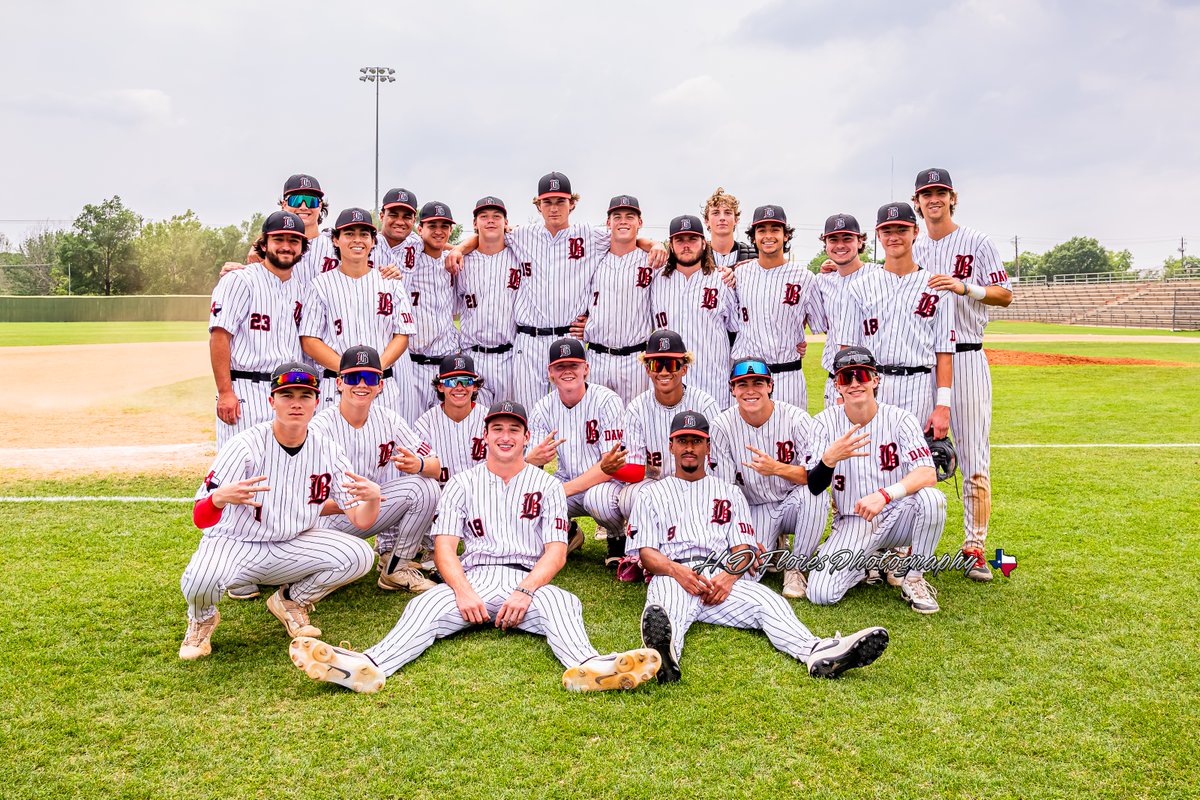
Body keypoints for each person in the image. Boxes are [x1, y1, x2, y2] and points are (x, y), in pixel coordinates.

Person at [287, 400, 662, 694]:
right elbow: (445, 550)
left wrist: (525, 590)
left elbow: (556, 551)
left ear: (525, 437)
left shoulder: (546, 485)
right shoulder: (463, 483)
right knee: (423, 606)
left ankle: (591, 667)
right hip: (475, 579)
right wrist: (463, 592)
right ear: (486, 436)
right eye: (497, 428)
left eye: (513, 429)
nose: (505, 436)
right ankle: (367, 666)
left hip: (527, 581)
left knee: (565, 604)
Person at [629, 410, 890, 683]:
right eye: (682, 441)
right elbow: (647, 554)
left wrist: (728, 577)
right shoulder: (651, 493)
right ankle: (663, 660)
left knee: (769, 602)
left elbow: (744, 547)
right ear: (671, 445)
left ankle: (816, 651)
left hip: (719, 578)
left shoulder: (729, 492)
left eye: (696, 441)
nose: (689, 448)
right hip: (674, 575)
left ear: (708, 446)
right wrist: (676, 571)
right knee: (666, 610)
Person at [179, 362, 380, 659]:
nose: (296, 403)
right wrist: (219, 498)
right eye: (287, 395)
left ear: (316, 401)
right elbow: (200, 517)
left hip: (293, 543)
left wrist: (373, 498)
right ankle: (202, 618)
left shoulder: (328, 450)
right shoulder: (245, 446)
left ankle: (290, 600)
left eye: (304, 396)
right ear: (272, 401)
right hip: (236, 543)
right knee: (200, 580)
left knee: (360, 556)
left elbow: (360, 520)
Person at [449, 171, 666, 409]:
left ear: (571, 204)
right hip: (529, 340)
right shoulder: (522, 236)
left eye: (560, 201)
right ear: (538, 205)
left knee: (572, 411)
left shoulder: (589, 235)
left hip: (569, 337)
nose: (554, 208)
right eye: (548, 202)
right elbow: (487, 237)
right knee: (528, 411)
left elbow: (626, 236)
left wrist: (654, 244)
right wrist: (459, 248)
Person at [911, 168, 1014, 581]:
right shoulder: (911, 245)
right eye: (926, 194)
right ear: (917, 201)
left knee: (973, 455)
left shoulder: (977, 241)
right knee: (911, 454)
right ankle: (904, 547)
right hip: (921, 361)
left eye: (940, 192)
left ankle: (974, 545)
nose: (933, 199)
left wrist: (964, 287)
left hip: (967, 356)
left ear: (952, 197)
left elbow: (1005, 294)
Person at [804, 346, 948, 614]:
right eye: (847, 378)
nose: (855, 383)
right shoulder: (823, 423)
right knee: (820, 594)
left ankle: (914, 578)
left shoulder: (900, 418)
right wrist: (829, 459)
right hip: (853, 521)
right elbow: (813, 485)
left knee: (932, 499)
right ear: (837, 385)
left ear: (875, 379)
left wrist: (885, 495)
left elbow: (928, 473)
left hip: (896, 514)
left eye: (861, 375)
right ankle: (865, 560)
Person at [309, 345, 442, 593]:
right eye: (352, 377)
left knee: (426, 487)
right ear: (339, 383)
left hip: (370, 511)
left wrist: (419, 464)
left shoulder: (389, 419)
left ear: (380, 385)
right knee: (330, 568)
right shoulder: (319, 428)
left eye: (370, 378)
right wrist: (355, 505)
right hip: (326, 521)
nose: (361, 384)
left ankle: (396, 567)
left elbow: (435, 466)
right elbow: (303, 501)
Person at [834, 202, 953, 439]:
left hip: (919, 385)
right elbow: (846, 349)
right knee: (869, 461)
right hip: (870, 386)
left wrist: (943, 405)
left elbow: (944, 352)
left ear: (915, 232)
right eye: (887, 231)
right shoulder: (860, 287)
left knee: (915, 463)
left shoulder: (938, 286)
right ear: (878, 234)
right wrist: (845, 394)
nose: (894, 237)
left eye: (902, 230)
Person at [710, 360, 829, 598]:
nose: (750, 390)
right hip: (753, 507)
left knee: (816, 496)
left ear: (770, 385)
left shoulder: (797, 419)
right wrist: (743, 538)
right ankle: (774, 543)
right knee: (746, 575)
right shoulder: (721, 425)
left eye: (758, 383)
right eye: (742, 384)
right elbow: (724, 489)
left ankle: (796, 566)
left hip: (792, 501)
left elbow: (816, 477)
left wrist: (776, 468)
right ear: (732, 389)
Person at [298, 208, 415, 413]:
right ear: (335, 239)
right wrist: (348, 370)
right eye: (349, 233)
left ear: (372, 240)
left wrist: (375, 368)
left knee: (382, 443)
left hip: (381, 384)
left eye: (363, 234)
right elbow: (309, 340)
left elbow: (402, 335)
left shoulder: (391, 283)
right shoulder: (319, 285)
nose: (357, 240)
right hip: (336, 384)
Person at [209, 210, 308, 450]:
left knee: (282, 472)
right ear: (264, 244)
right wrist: (225, 392)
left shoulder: (303, 289)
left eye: (293, 241)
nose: (286, 246)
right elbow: (220, 337)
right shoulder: (240, 280)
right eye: (279, 240)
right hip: (246, 390)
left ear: (302, 248)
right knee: (239, 471)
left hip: (288, 392)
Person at [527, 338, 629, 565]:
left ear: (586, 368)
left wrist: (558, 491)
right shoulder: (542, 408)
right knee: (530, 503)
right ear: (550, 372)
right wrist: (530, 460)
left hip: (607, 485)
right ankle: (569, 531)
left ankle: (617, 537)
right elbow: (530, 470)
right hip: (566, 481)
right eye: (560, 366)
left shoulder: (606, 400)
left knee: (598, 500)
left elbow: (610, 466)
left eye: (573, 365)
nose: (567, 371)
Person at [729, 204, 815, 410]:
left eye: (775, 229)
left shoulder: (805, 277)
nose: (768, 235)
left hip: (789, 375)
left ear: (786, 235)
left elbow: (820, 321)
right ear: (754, 237)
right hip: (748, 377)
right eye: (762, 230)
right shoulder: (739, 275)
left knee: (792, 439)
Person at [649, 215, 741, 403]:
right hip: (668, 385)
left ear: (704, 243)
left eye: (692, 239)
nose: (686, 245)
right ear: (671, 245)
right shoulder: (656, 281)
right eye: (679, 240)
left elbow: (739, 331)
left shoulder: (722, 280)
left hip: (713, 384)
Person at [576, 195, 655, 403]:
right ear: (608, 222)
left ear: (640, 222)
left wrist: (657, 245)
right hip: (596, 356)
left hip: (635, 358)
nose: (623, 221)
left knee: (633, 422)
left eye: (630, 216)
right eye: (617, 216)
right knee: (595, 420)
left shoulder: (652, 261)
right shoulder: (593, 258)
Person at [805, 213, 878, 408]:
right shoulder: (821, 282)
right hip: (834, 381)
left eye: (847, 238)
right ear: (825, 244)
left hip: (869, 380)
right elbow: (818, 324)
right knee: (836, 438)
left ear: (860, 241)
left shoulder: (879, 276)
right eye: (833, 239)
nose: (840, 245)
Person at [455, 196, 520, 406]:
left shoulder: (520, 256)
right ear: (475, 223)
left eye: (496, 216)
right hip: (473, 355)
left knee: (509, 425)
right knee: (474, 427)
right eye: (484, 216)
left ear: (506, 222)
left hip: (510, 356)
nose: (490, 221)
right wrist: (458, 249)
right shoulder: (461, 261)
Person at [402, 201, 461, 416]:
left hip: (446, 366)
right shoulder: (408, 261)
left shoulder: (453, 261)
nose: (438, 231)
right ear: (420, 229)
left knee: (444, 434)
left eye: (444, 226)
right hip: (413, 365)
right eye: (432, 225)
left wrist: (458, 249)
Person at [414, 354, 491, 485]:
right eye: (452, 381)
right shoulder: (424, 425)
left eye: (466, 381)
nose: (459, 387)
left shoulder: (490, 420)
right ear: (440, 386)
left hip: (483, 493)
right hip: (441, 496)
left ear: (475, 386)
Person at [702, 187, 757, 267]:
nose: (722, 218)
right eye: (716, 213)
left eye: (727, 213)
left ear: (736, 219)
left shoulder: (754, 256)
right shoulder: (697, 257)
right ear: (707, 221)